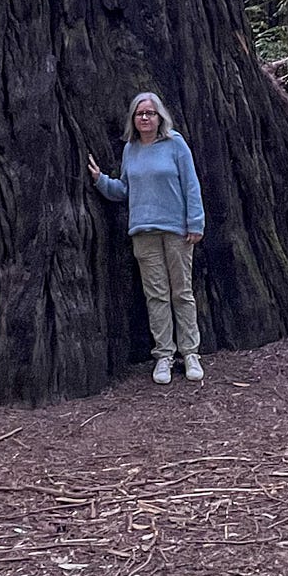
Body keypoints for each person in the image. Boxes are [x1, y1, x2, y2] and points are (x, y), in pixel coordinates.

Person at [88, 91, 204, 384]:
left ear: (159, 116)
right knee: (156, 295)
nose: (145, 118)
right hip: (143, 231)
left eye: (150, 113)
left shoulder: (175, 144)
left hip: (177, 230)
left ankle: (190, 353)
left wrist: (196, 222)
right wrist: (100, 180)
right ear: (133, 119)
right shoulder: (131, 149)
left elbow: (191, 184)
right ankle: (164, 355)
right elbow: (125, 190)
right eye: (140, 114)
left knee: (182, 292)